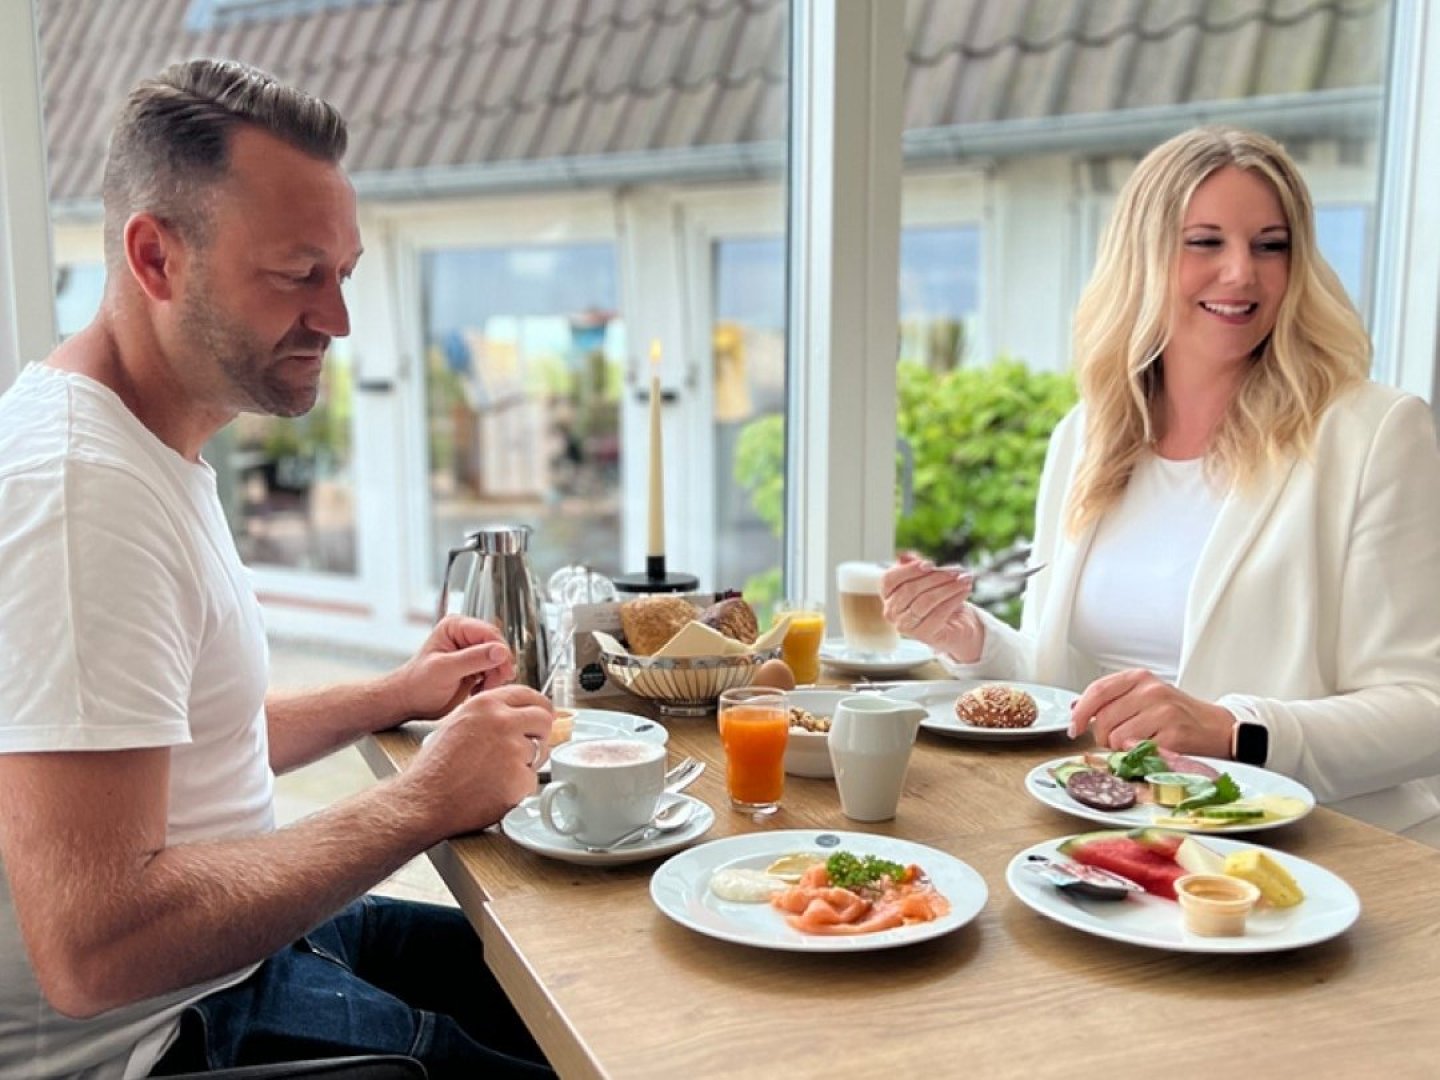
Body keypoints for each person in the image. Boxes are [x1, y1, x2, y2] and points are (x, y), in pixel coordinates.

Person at [0, 60, 557, 1078]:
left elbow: (169, 750)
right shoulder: (82, 496)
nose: (337, 321)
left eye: (342, 274)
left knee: (568, 974)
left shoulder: (139, 444)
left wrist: (393, 694)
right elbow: (92, 948)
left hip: (238, 960)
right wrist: (421, 801)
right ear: (156, 257)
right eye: (298, 274)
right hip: (162, 1036)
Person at [881, 126, 1440, 845]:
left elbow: (1427, 709)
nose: (1242, 273)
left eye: (1271, 245)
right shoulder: (1085, 436)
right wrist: (969, 639)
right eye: (1205, 242)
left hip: (1322, 859)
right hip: (1116, 840)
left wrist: (1233, 729)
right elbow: (1074, 685)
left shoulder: (1375, 433)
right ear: (1140, 258)